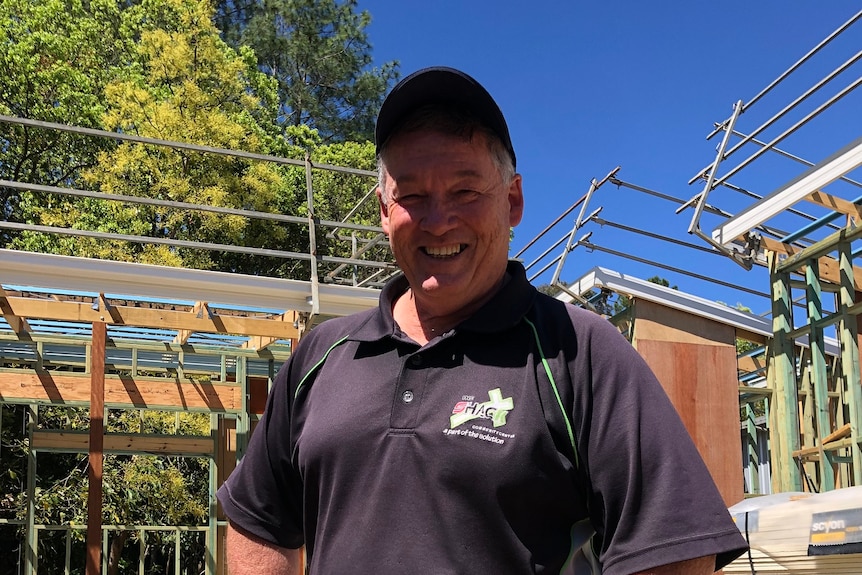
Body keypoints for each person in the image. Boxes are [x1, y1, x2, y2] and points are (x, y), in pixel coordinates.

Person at [217, 66, 748, 574]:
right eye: (412, 196)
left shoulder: (579, 353)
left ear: (512, 200)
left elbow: (673, 552)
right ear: (384, 210)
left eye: (465, 190)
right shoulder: (322, 355)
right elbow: (258, 520)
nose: (438, 219)